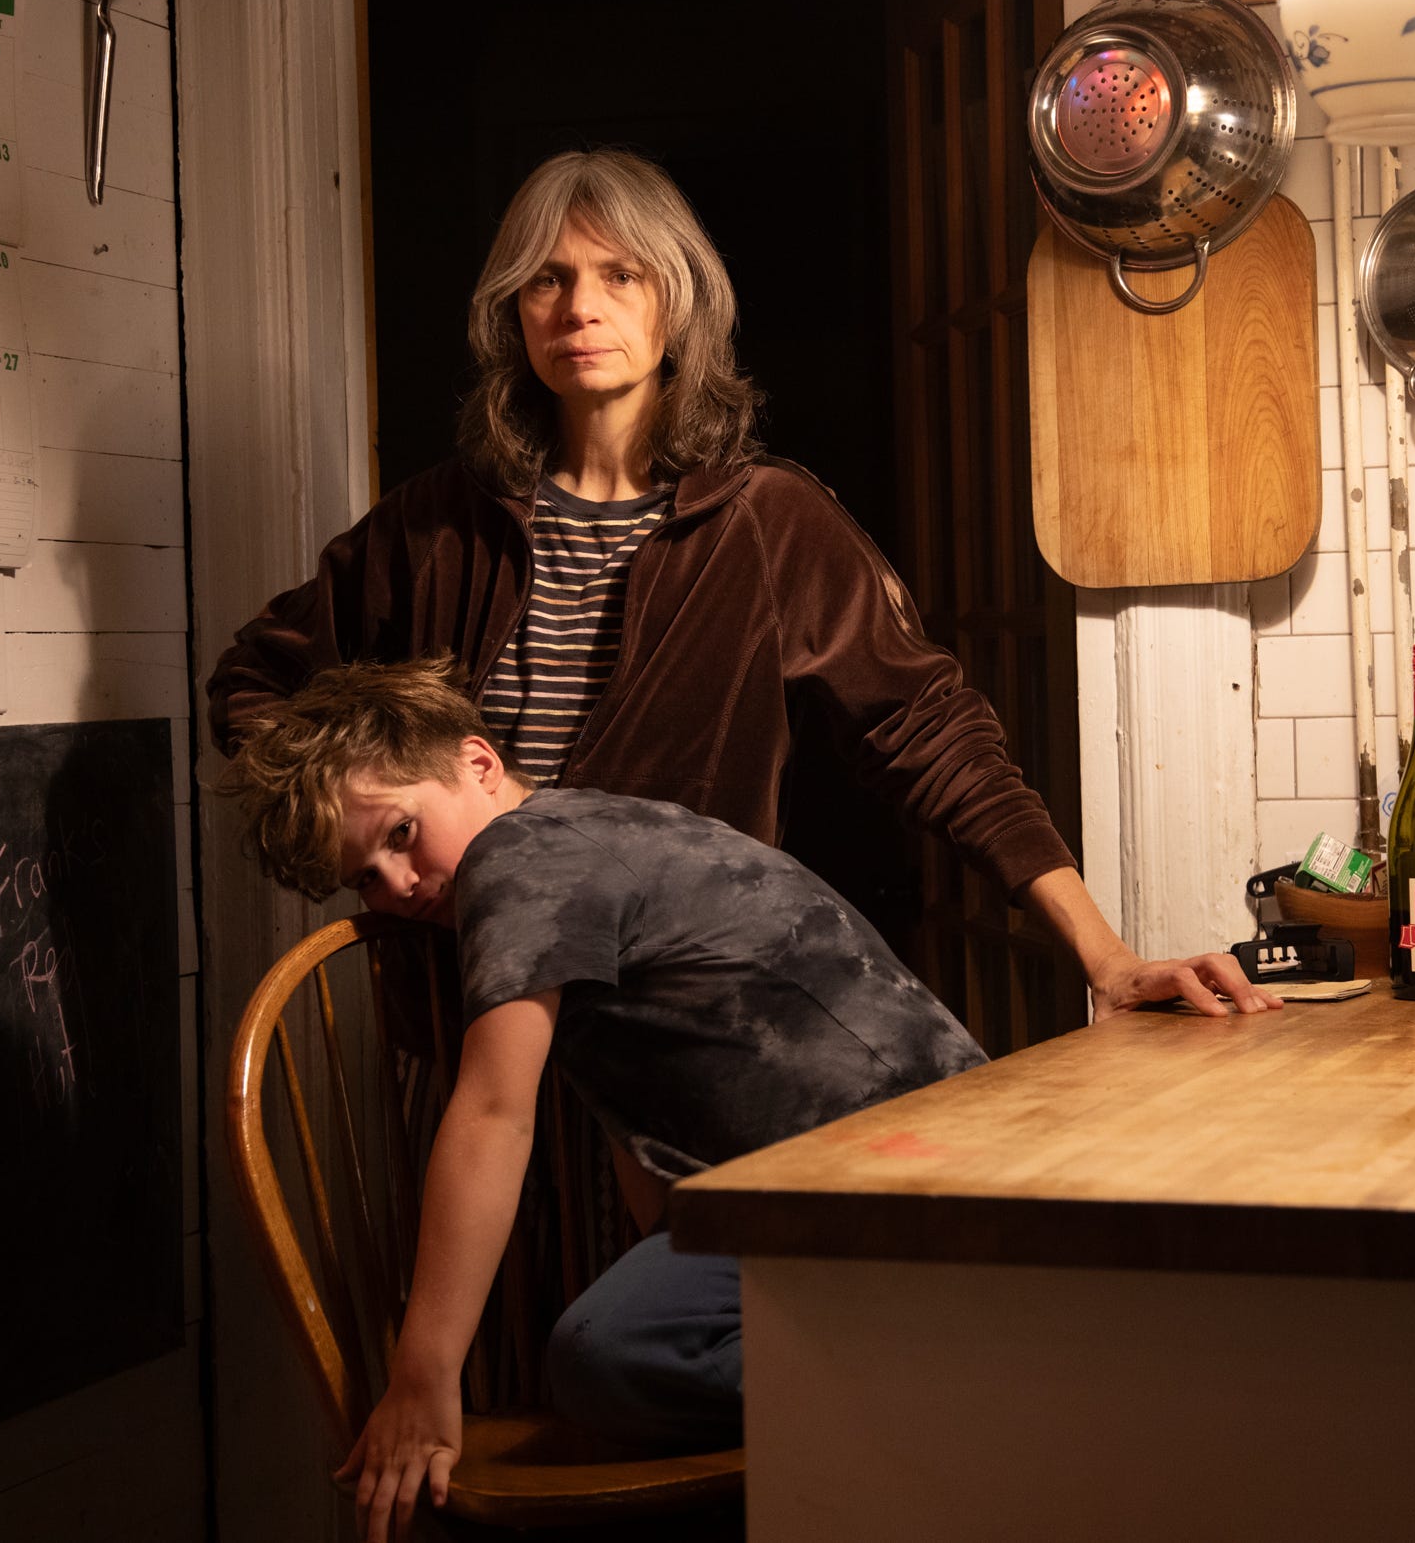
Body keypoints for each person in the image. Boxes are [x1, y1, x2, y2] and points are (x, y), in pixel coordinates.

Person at [206, 146, 1275, 1026]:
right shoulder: (439, 519)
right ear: (512, 314)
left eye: (620, 275)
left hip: (682, 1018)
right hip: (469, 1010)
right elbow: (253, 680)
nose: (580, 306)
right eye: (547, 279)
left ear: (677, 302)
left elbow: (934, 734)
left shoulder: (768, 521)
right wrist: (369, 816)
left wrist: (1106, 956)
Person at [222, 656, 992, 1543]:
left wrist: (422, 1377)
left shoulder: (518, 856)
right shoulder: (592, 829)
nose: (396, 884)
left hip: (894, 1171)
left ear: (478, 763)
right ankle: (918, 1366)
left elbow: (493, 1114)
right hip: (907, 1153)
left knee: (606, 1352)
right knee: (626, 1334)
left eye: (401, 832)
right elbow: (639, 1112)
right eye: (363, 877)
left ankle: (949, 1376)